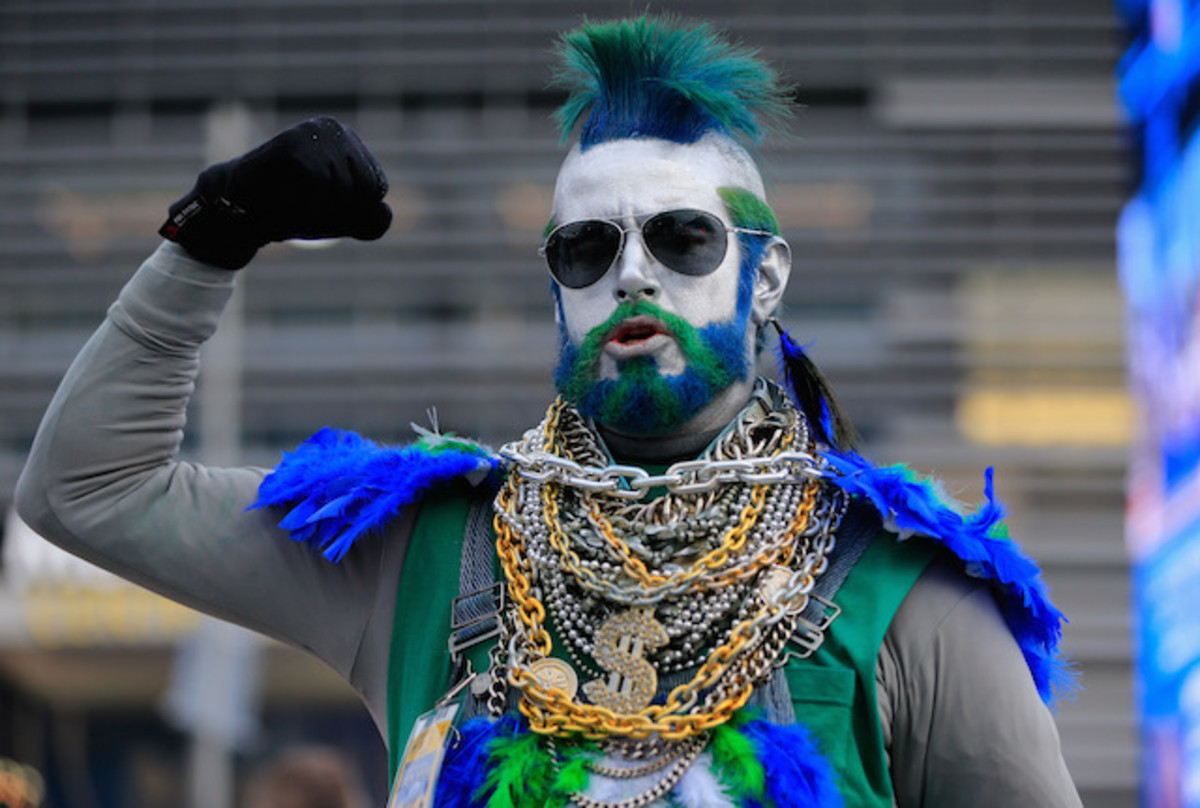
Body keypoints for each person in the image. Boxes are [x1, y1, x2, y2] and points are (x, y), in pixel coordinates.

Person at [15, 15, 1081, 808]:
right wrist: (208, 239)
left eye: (683, 239)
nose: (632, 275)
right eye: (588, 248)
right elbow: (89, 491)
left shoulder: (912, 595)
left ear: (765, 279)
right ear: (557, 290)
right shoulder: (423, 547)